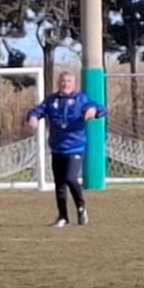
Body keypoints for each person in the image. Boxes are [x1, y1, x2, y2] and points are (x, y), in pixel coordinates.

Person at [26, 69, 106, 227]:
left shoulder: (81, 99)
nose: (65, 84)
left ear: (74, 84)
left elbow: (99, 108)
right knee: (60, 184)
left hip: (75, 147)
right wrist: (33, 117)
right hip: (57, 148)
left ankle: (81, 207)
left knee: (70, 178)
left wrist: (93, 110)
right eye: (63, 81)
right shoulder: (51, 100)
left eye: (68, 81)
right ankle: (63, 217)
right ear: (58, 83)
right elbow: (38, 110)